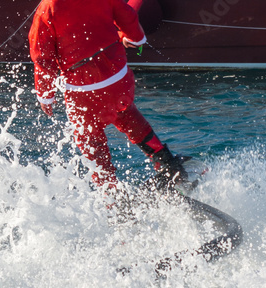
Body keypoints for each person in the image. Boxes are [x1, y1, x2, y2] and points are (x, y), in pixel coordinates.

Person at [28, 0, 188, 187]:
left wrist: (46, 95)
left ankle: (111, 194)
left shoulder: (47, 8)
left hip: (83, 91)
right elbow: (126, 14)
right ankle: (168, 163)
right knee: (127, 114)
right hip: (118, 79)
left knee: (91, 141)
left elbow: (42, 57)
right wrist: (135, 38)